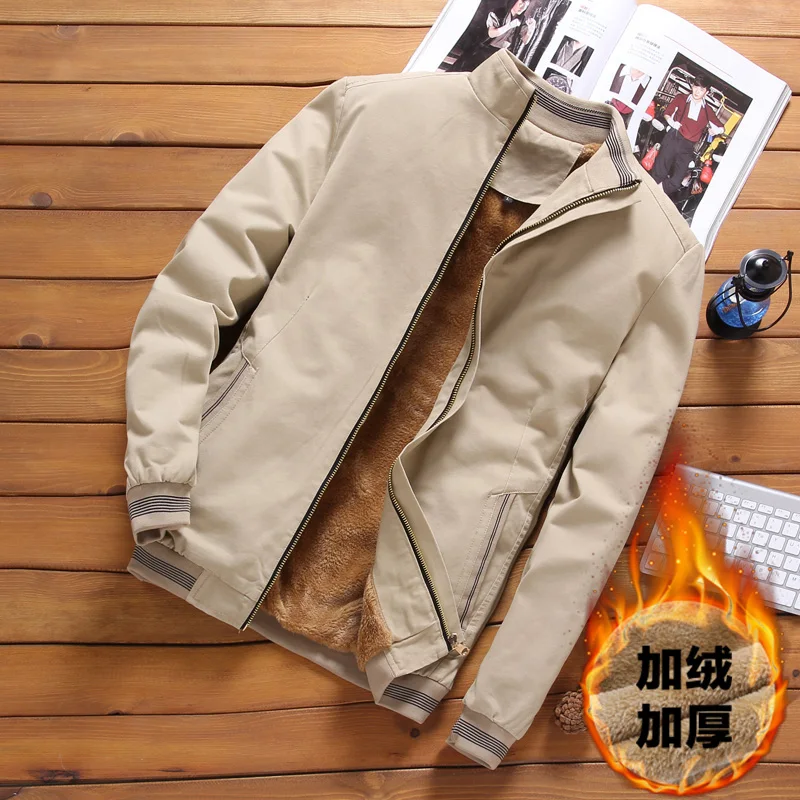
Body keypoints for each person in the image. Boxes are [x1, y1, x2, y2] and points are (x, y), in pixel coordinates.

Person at [650, 71, 726, 198]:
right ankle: (650, 196)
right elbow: (667, 113)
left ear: (706, 92)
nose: (697, 92)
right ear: (692, 86)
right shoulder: (681, 98)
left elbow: (721, 128)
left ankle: (655, 192)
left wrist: (715, 131)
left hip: (688, 147)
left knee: (677, 182)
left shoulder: (707, 110)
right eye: (696, 87)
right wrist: (671, 122)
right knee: (659, 173)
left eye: (701, 89)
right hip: (673, 138)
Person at [455, 0, 535, 71]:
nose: (522, 7)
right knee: (468, 69)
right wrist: (510, 25)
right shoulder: (499, 12)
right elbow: (492, 33)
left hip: (502, 53)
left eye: (525, 6)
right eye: (520, 3)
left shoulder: (522, 20)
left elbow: (525, 41)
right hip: (486, 49)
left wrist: (531, 30)